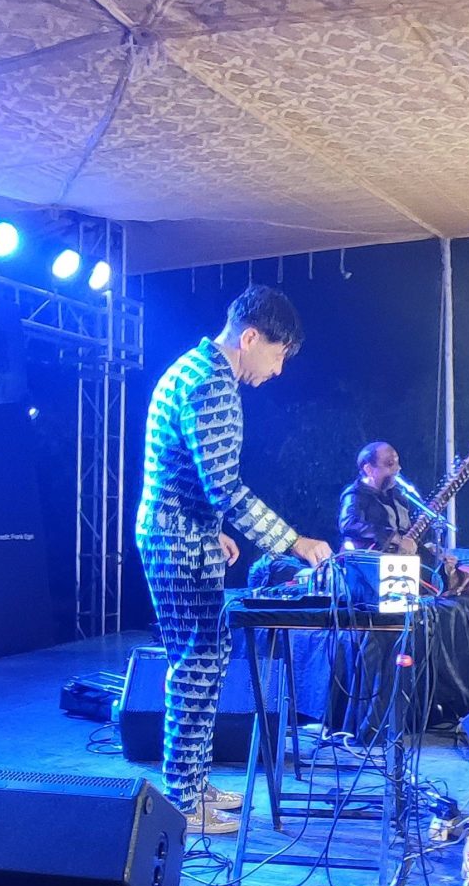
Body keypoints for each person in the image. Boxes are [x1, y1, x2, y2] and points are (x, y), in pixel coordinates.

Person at [135, 285, 332, 834]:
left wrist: (212, 528)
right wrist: (293, 542)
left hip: (179, 532)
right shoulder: (212, 384)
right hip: (178, 541)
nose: (278, 370)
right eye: (278, 355)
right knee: (196, 663)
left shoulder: (190, 369)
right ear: (249, 337)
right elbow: (224, 486)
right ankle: (184, 800)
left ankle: (192, 784)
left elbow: (186, 470)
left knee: (205, 656)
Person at [338, 442, 416, 553]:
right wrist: (390, 536)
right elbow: (348, 524)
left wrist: (426, 549)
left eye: (397, 463)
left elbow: (405, 535)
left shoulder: (398, 496)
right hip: (369, 561)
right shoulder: (355, 494)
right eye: (390, 464)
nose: (398, 468)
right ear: (369, 469)